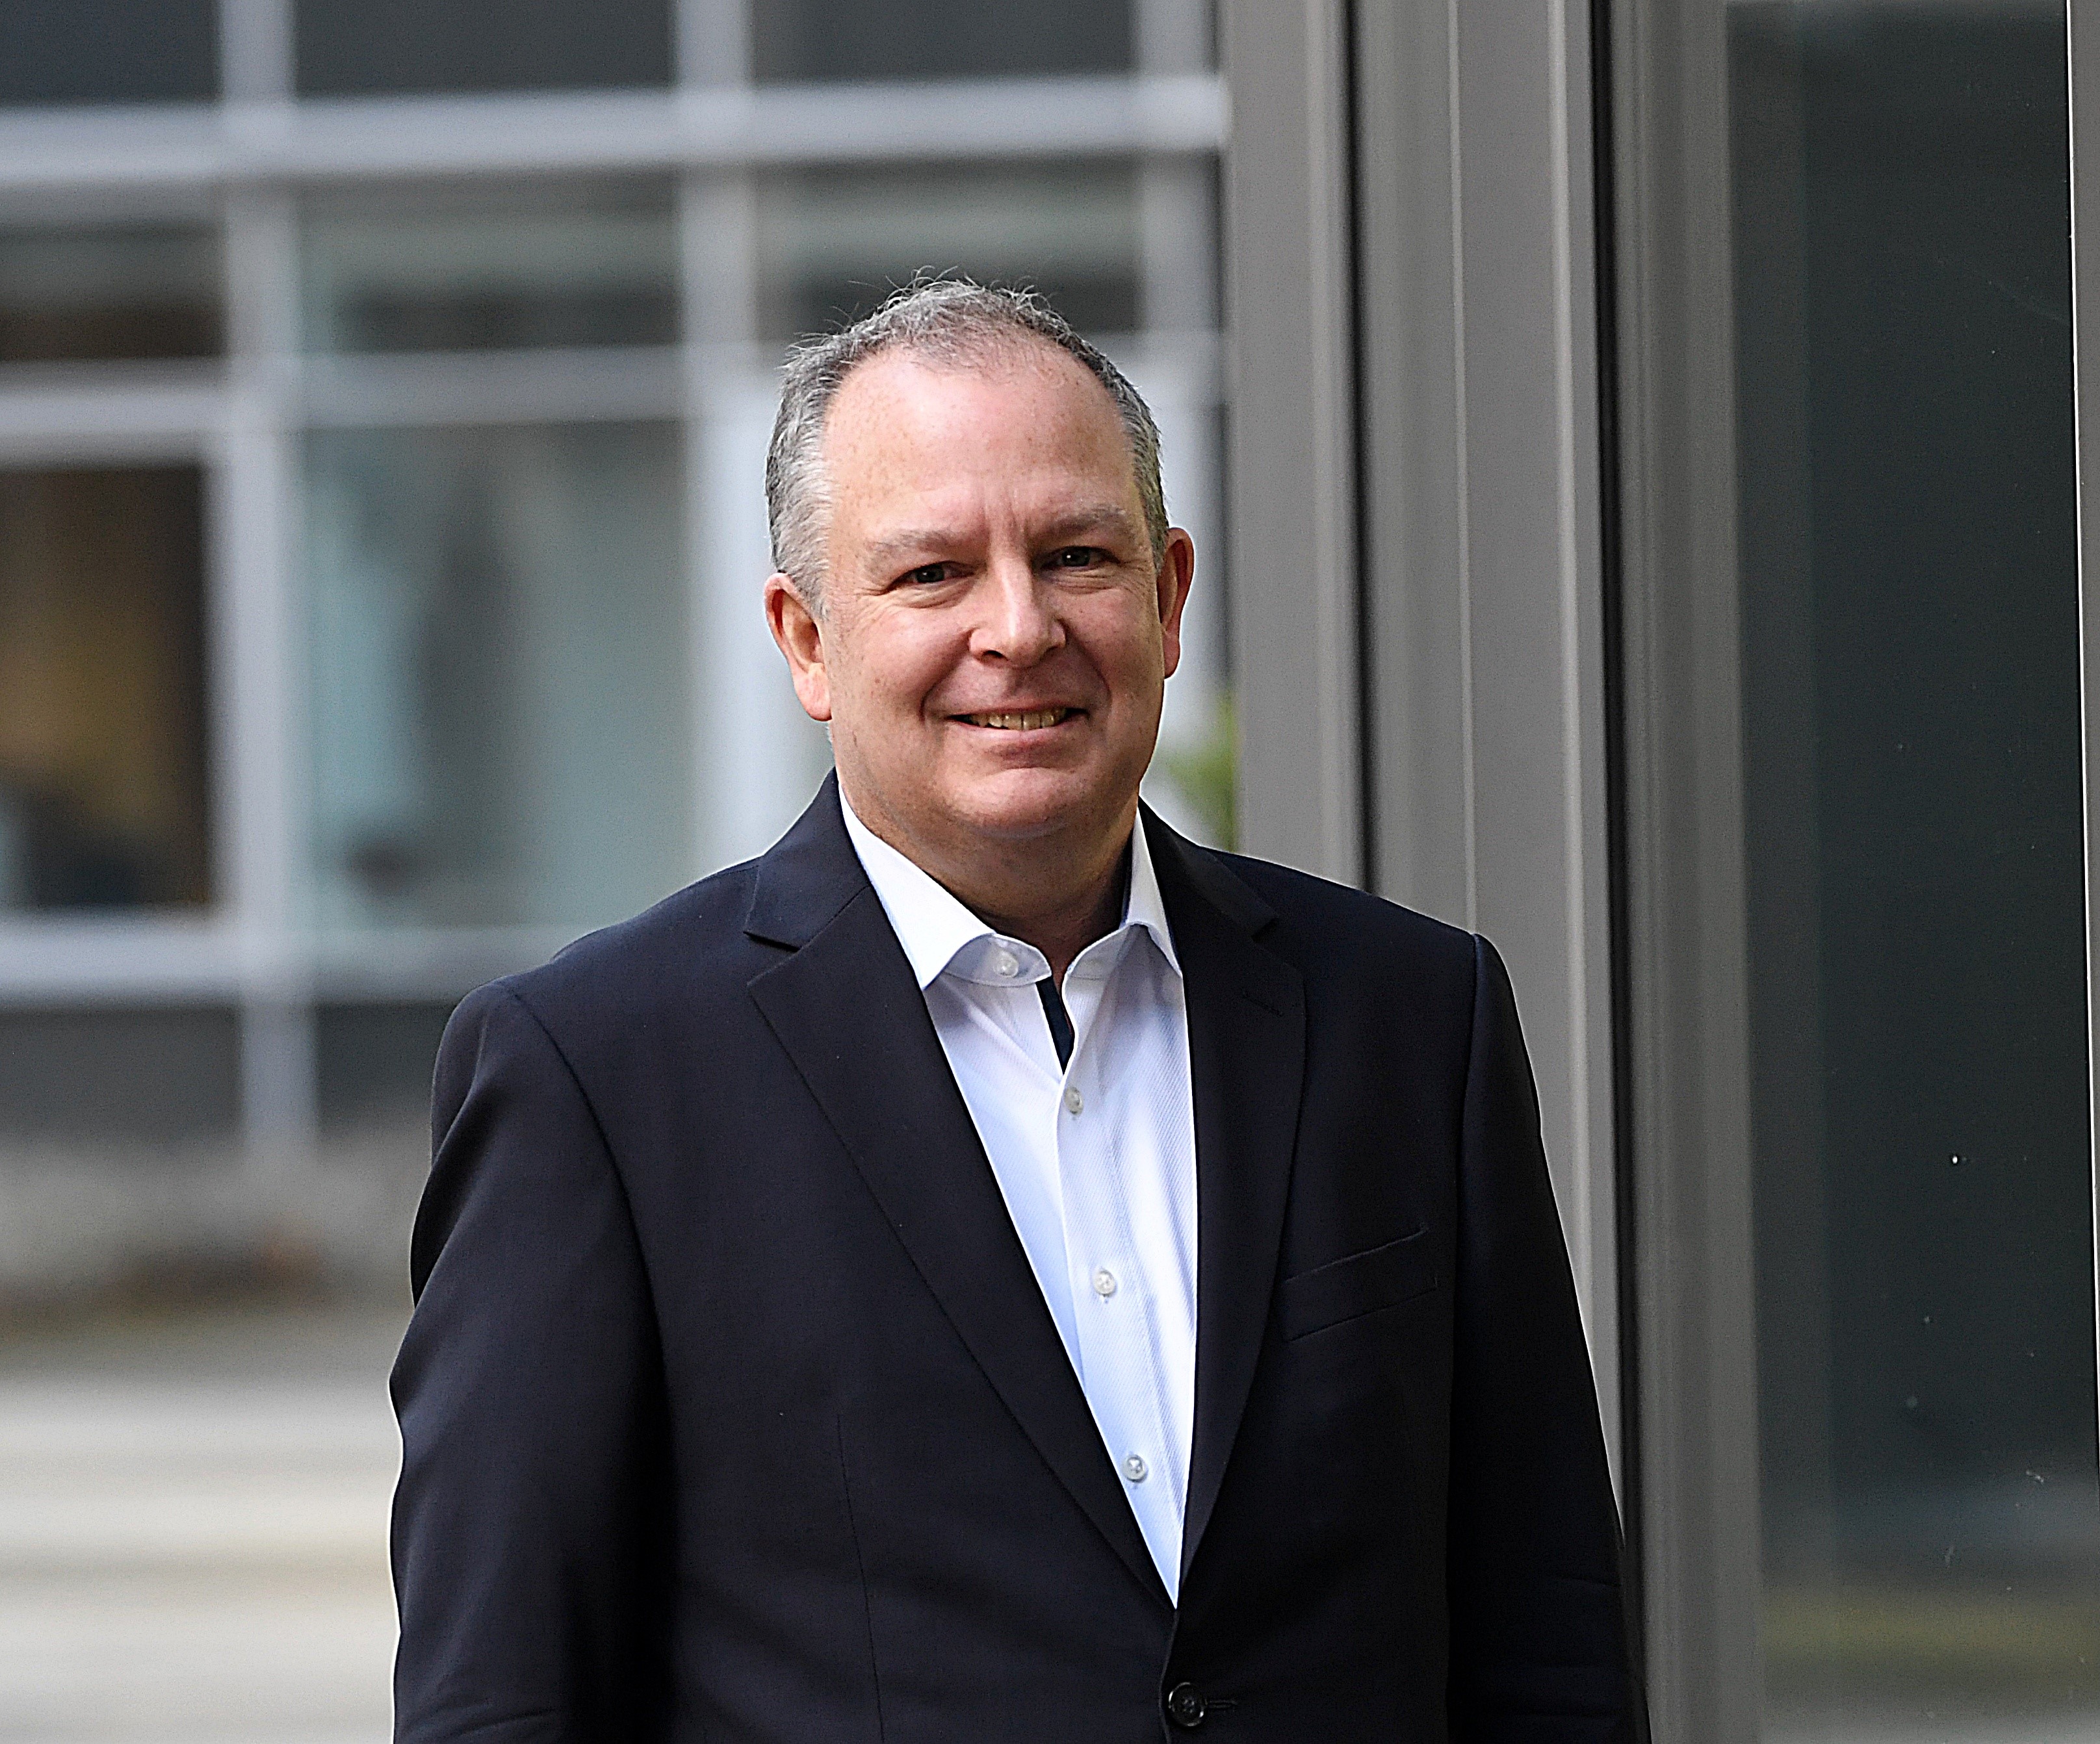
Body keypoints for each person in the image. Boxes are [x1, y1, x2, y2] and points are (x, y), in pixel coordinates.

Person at [390, 279, 1642, 1741]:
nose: (1017, 626)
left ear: (1168, 598)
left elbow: (1544, 1638)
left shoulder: (1413, 1019)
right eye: (930, 573)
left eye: (1075, 554)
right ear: (806, 640)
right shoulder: (594, 1077)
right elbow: (501, 1702)